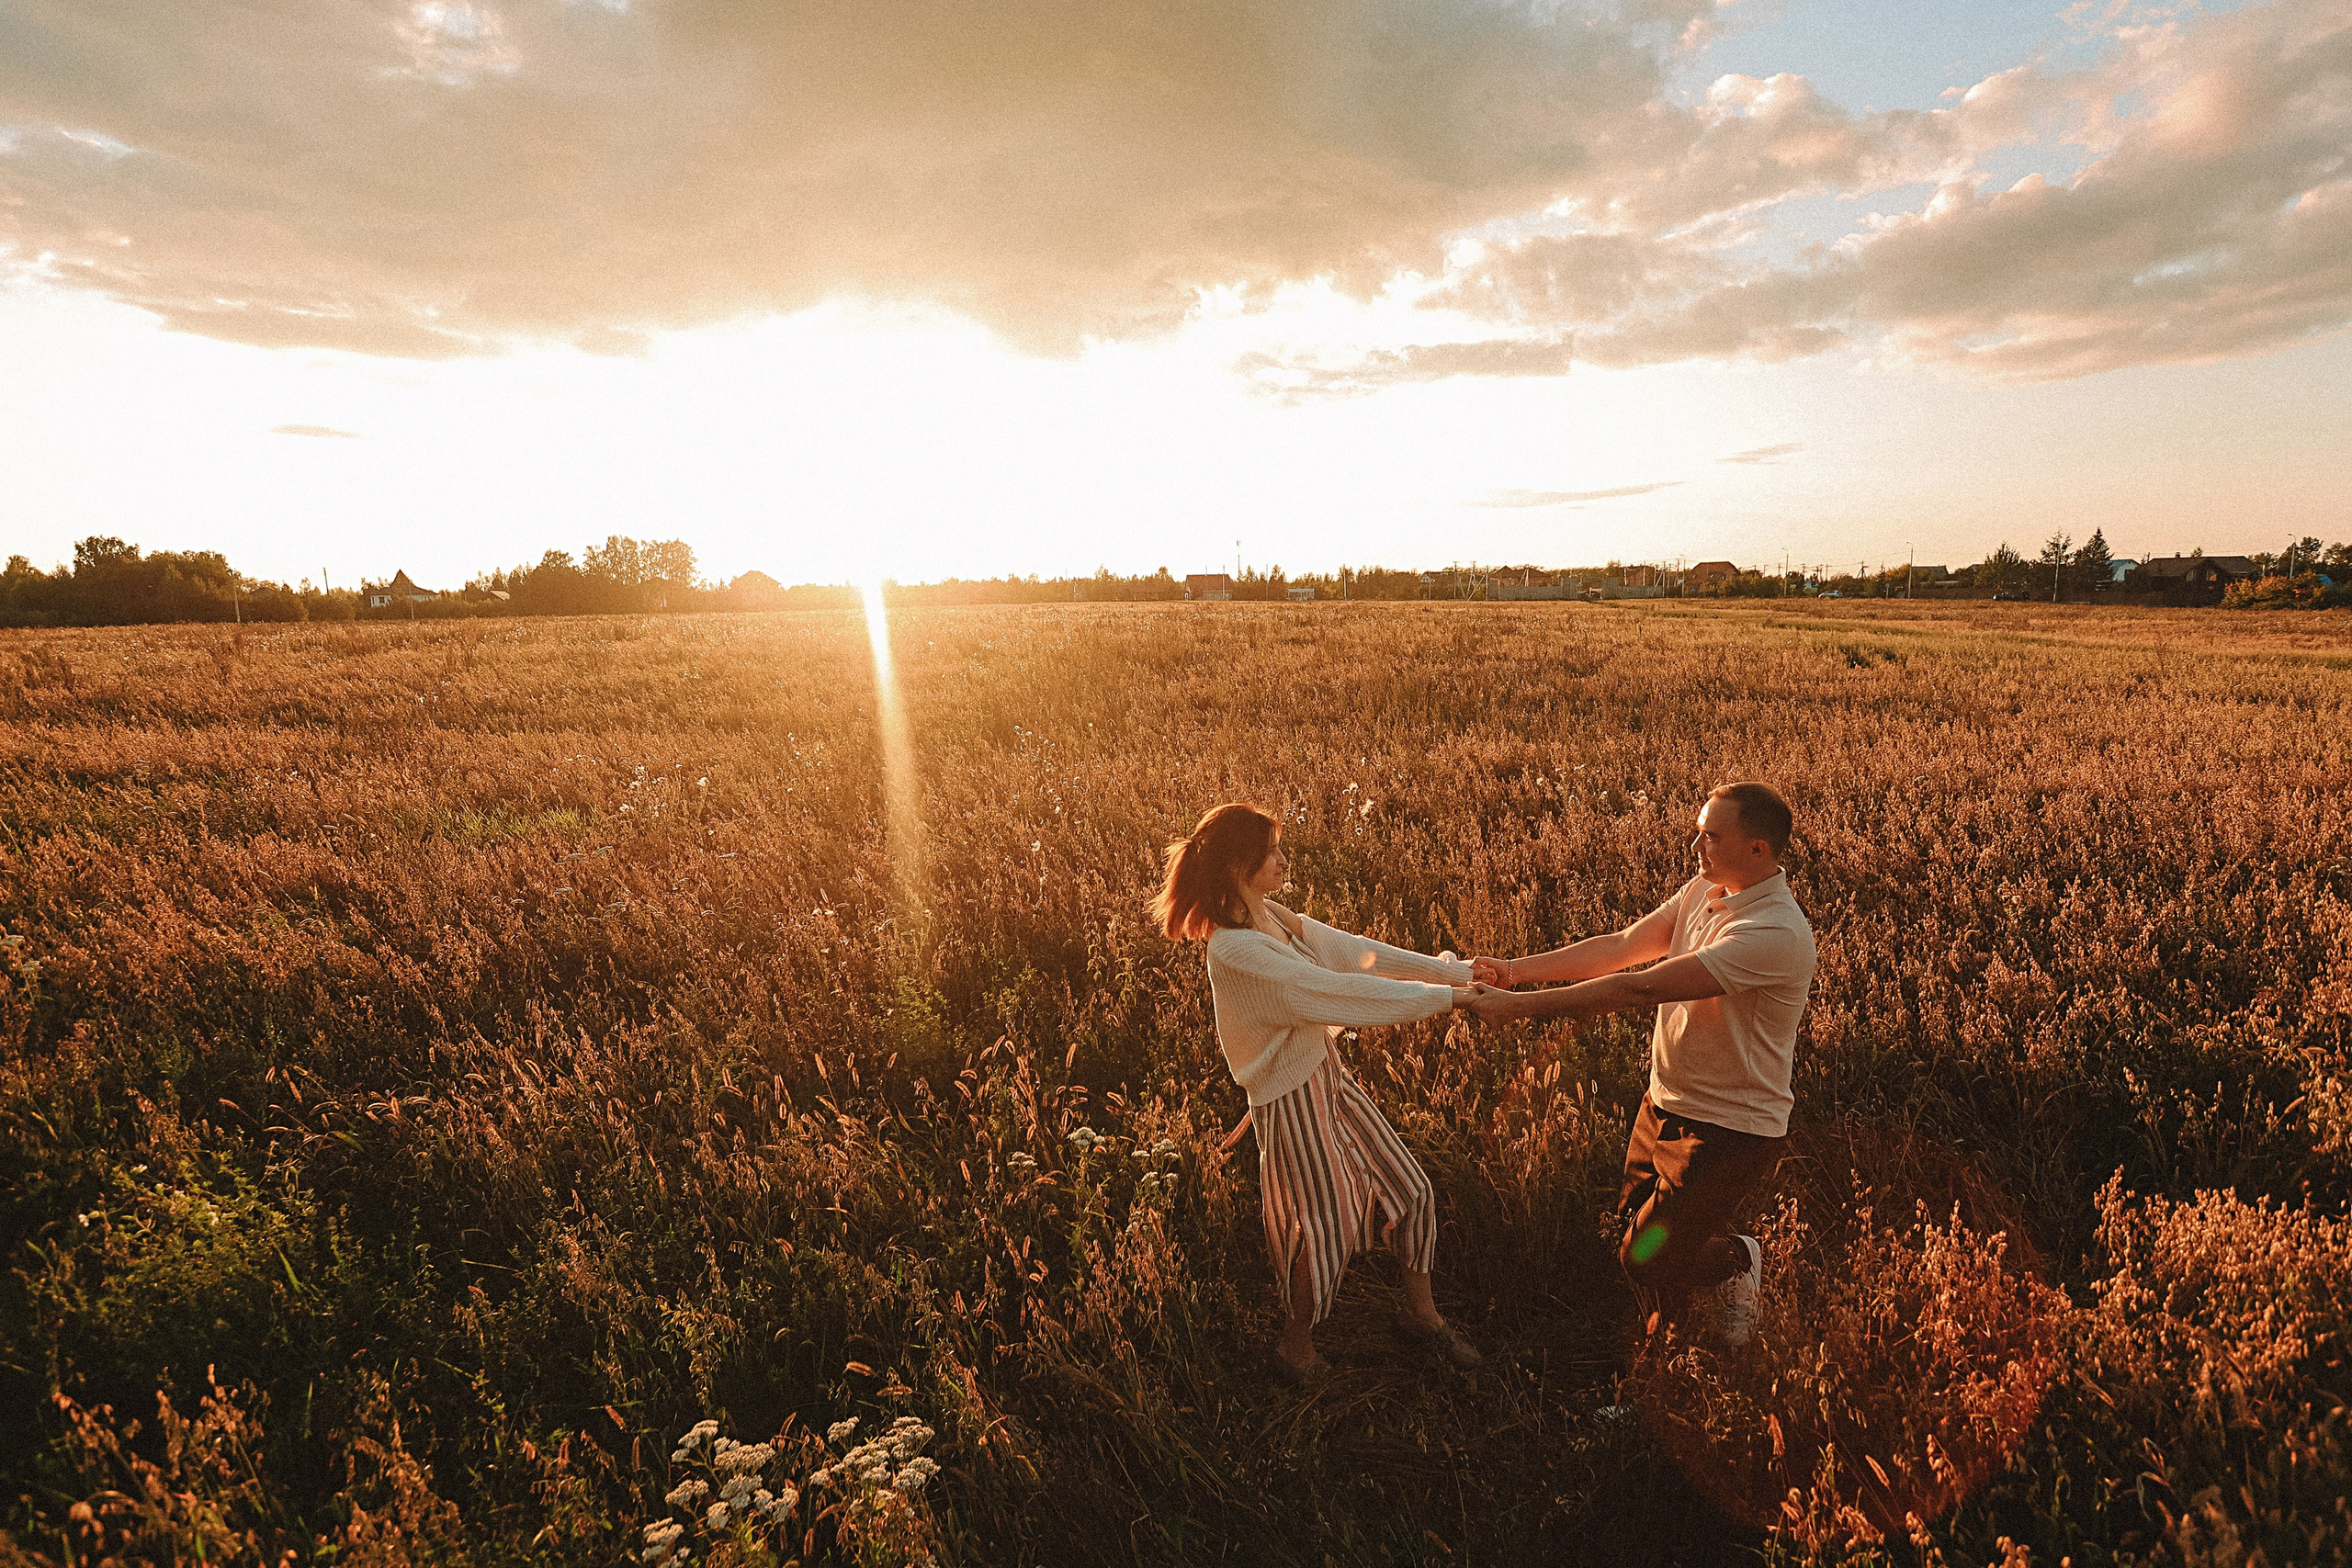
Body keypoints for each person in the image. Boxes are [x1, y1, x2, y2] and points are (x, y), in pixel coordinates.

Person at [1470, 783, 1815, 1347]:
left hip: (1730, 1129)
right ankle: (1701, 1303)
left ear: (1758, 849)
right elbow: (1625, 946)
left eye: (1711, 835)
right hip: (1663, 1104)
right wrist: (1514, 970)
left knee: (1647, 1257)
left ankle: (1723, 1280)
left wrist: (1521, 1010)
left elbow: (1639, 987)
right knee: (1646, 1241)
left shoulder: (1774, 933)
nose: (1696, 845)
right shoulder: (1707, 889)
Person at [1153, 802, 1487, 1382]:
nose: (1285, 860)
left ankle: (1422, 1317)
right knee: (1323, 1229)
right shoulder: (1235, 950)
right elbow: (1336, 991)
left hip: (1327, 1077)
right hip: (1288, 1101)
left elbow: (1356, 952)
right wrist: (1452, 1001)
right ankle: (1295, 1348)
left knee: (1411, 1190)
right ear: (1239, 866)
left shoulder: (1266, 915)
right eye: (1272, 853)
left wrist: (1457, 973)